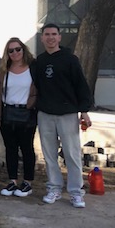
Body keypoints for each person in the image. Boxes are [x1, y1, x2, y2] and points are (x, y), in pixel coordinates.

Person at [33, 24, 92, 208]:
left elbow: (81, 86)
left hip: (67, 113)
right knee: (49, 155)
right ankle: (54, 188)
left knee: (72, 154)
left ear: (59, 38)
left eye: (54, 34)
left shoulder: (70, 60)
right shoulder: (39, 62)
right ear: (42, 38)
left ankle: (76, 192)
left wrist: (84, 111)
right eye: (46, 34)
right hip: (45, 113)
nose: (50, 37)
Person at [0, 38, 37, 197]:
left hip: (27, 113)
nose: (15, 53)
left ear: (23, 49)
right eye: (11, 50)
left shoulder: (33, 67)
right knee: (10, 149)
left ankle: (28, 182)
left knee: (27, 148)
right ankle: (12, 181)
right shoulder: (4, 69)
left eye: (17, 49)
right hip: (8, 113)